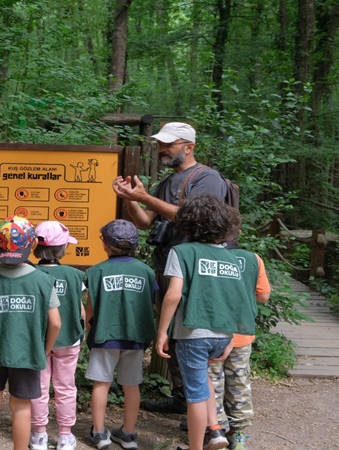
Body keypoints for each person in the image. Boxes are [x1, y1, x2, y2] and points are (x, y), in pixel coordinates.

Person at [112, 122, 228, 414]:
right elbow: (145, 222)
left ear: (189, 147)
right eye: (160, 144)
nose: (162, 149)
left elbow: (194, 219)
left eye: (169, 144)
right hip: (168, 265)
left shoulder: (208, 179)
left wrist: (144, 197)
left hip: (197, 269)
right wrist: (129, 199)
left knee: (193, 333)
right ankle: (182, 398)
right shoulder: (166, 183)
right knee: (176, 335)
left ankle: (203, 407)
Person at [155, 194, 263, 450]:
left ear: (187, 224)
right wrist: (230, 336)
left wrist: (162, 332)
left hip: (192, 334)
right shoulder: (235, 258)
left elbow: (172, 294)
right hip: (224, 334)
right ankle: (216, 432)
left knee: (195, 395)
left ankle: (196, 446)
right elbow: (236, 297)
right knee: (204, 381)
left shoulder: (181, 252)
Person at [0, 216, 61, 450]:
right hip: (27, 353)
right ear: (32, 245)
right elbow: (55, 324)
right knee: (21, 407)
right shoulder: (43, 281)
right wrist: (45, 350)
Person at [84, 220, 157, 450]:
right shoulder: (146, 272)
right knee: (131, 385)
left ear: (105, 244)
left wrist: (89, 327)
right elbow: (151, 304)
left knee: (101, 383)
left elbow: (90, 307)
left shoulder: (96, 272)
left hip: (105, 335)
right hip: (135, 338)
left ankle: (98, 433)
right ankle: (128, 434)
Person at [207, 207, 271, 450]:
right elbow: (264, 296)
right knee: (239, 382)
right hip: (242, 332)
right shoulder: (253, 259)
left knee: (212, 381)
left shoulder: (206, 256)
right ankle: (240, 435)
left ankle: (216, 430)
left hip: (212, 332)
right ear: (239, 232)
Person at [28, 221, 85, 450]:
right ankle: (64, 435)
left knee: (39, 387)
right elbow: (80, 310)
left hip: (38, 340)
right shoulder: (75, 275)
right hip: (69, 339)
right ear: (62, 249)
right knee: (66, 387)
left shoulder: (30, 274)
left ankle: (39, 434)